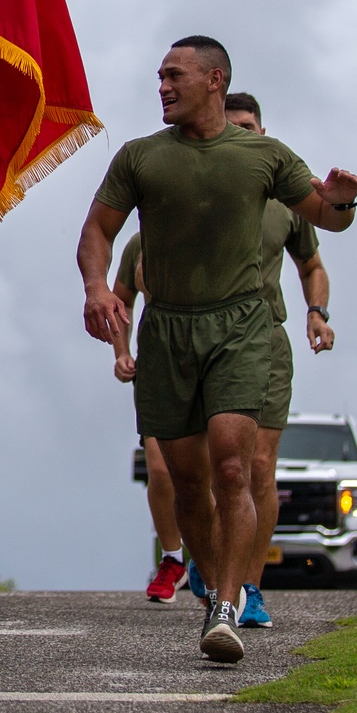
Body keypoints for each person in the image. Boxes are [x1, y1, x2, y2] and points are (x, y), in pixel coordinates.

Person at [78, 35, 356, 664]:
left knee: (235, 464)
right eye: (159, 77)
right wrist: (97, 287)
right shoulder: (140, 157)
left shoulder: (264, 156)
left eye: (174, 76)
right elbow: (98, 229)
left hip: (241, 327)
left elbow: (328, 218)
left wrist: (343, 197)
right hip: (168, 327)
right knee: (186, 477)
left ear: (214, 79)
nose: (163, 87)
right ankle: (213, 590)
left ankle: (228, 606)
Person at [223, 92, 335, 629]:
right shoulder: (200, 187)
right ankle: (209, 566)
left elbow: (313, 264)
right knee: (212, 470)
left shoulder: (286, 201)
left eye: (250, 126)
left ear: (263, 131)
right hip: (203, 336)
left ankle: (249, 588)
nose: (243, 135)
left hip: (267, 338)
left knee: (259, 467)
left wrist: (317, 311)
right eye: (233, 127)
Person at [111, 235, 189, 604]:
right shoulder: (139, 242)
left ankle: (207, 562)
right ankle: (173, 559)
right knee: (159, 469)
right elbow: (121, 301)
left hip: (209, 357)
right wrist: (122, 352)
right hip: (157, 363)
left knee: (208, 469)